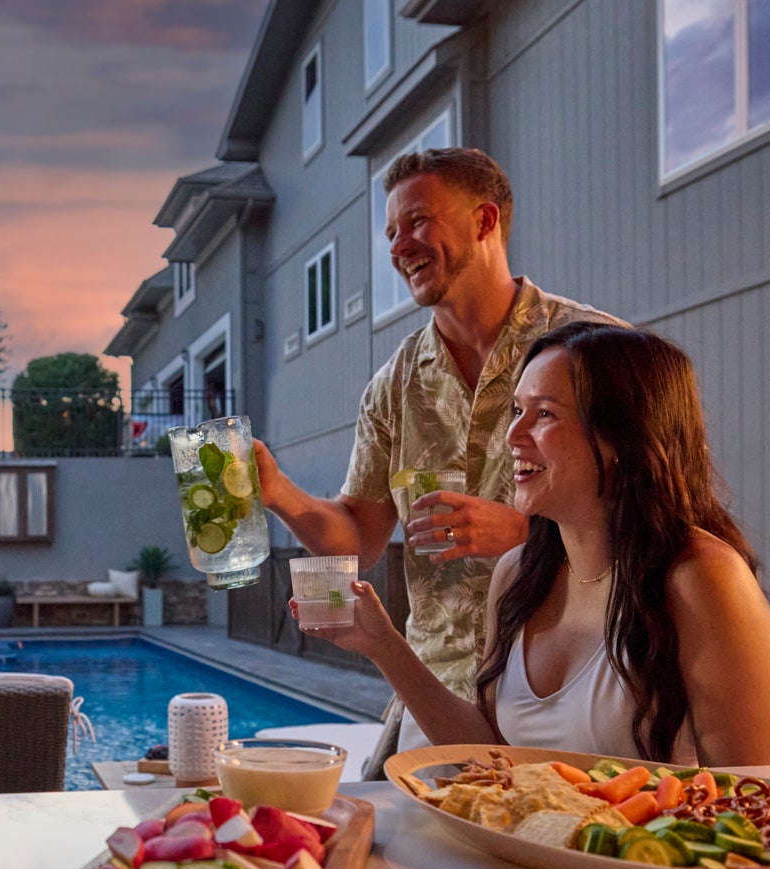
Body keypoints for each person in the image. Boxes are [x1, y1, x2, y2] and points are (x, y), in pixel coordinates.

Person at [253, 148, 622, 753]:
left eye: (418, 222)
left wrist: (529, 536)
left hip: (573, 692)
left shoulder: (596, 352)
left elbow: (663, 515)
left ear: (484, 221)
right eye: (392, 232)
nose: (399, 247)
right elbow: (361, 537)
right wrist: (279, 493)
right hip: (435, 695)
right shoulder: (393, 386)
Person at [298, 323, 770, 767]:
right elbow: (491, 756)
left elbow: (758, 801)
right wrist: (383, 645)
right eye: (516, 410)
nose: (512, 434)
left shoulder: (703, 580)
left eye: (545, 414)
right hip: (528, 861)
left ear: (621, 437)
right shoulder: (519, 574)